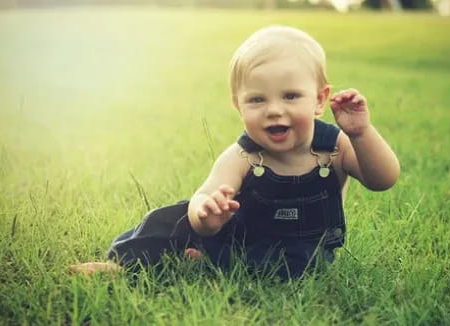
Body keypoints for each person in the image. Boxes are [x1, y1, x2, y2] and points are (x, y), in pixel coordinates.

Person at [70, 25, 399, 279]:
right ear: (237, 105)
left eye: (290, 96)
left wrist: (362, 134)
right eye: (257, 99)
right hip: (237, 235)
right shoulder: (242, 156)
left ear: (318, 99)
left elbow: (382, 179)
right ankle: (125, 263)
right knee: (171, 219)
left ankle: (204, 264)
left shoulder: (336, 146)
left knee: (296, 264)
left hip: (300, 251)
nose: (273, 110)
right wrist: (206, 215)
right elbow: (205, 195)